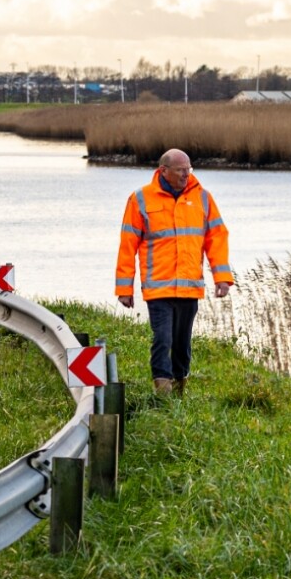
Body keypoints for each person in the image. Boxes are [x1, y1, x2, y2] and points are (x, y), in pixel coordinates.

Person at [115, 149, 233, 395]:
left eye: (188, 169)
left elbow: (217, 238)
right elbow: (128, 245)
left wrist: (222, 278)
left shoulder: (202, 198)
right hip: (158, 288)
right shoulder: (141, 199)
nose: (185, 174)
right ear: (163, 171)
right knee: (163, 338)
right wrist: (124, 289)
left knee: (182, 343)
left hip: (190, 287)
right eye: (180, 170)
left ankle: (180, 385)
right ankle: (163, 389)